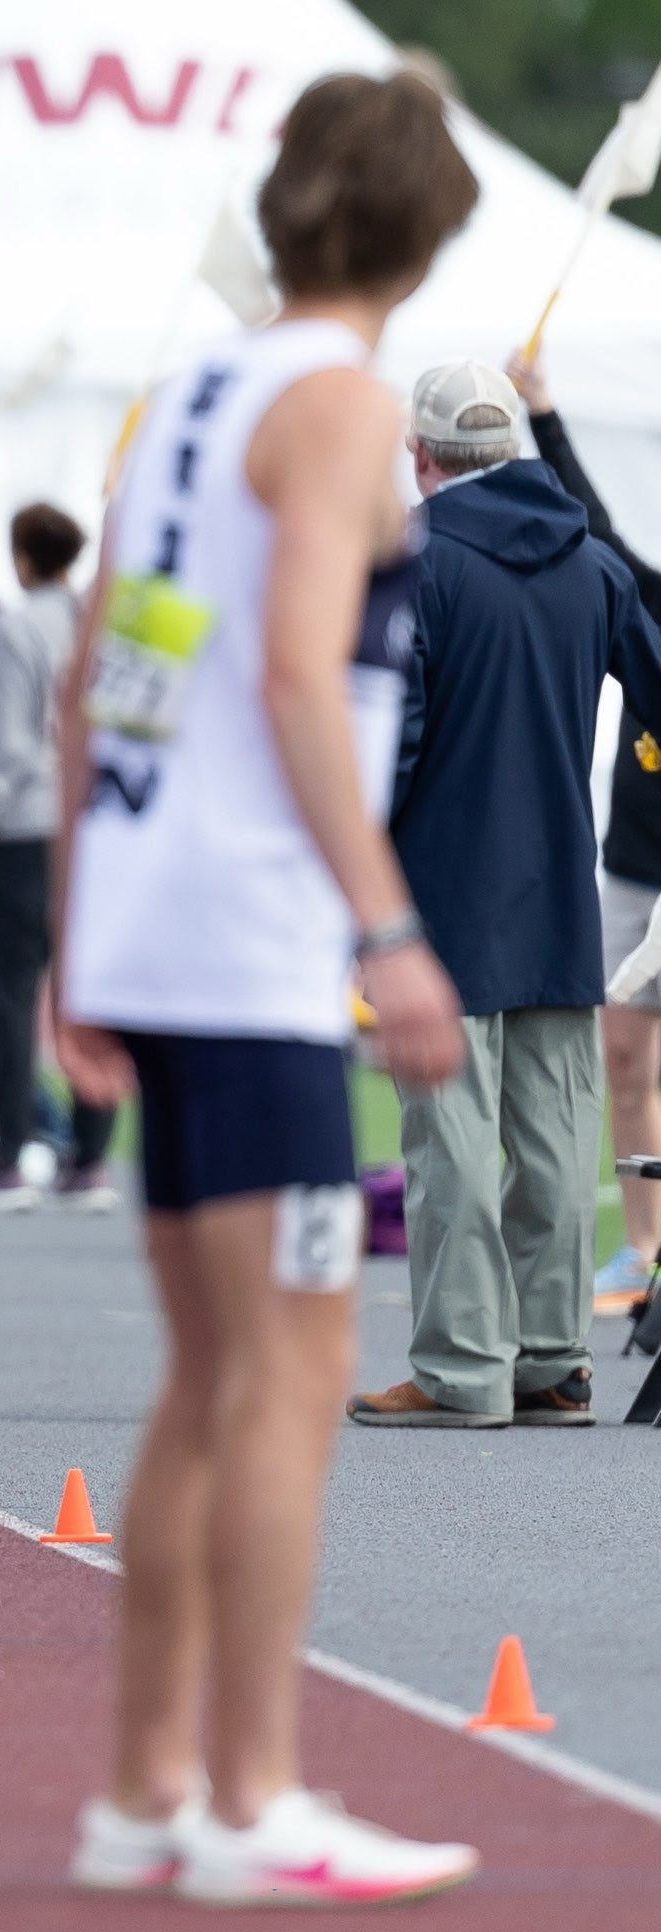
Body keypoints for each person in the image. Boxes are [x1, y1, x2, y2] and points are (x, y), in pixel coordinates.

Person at [56, 72, 479, 1904]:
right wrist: (388, 932)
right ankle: (253, 1796)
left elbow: (104, 678)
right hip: (250, 941)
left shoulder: (181, 398)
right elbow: (306, 680)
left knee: (206, 1383)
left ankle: (149, 1785)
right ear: (428, 236)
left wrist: (82, 932)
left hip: (160, 922)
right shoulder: (336, 404)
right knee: (291, 1381)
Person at [343, 362, 661, 1429]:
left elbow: (394, 739)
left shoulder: (415, 559)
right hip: (563, 887)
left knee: (448, 1141)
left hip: (441, 894)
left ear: (420, 457)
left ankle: (462, 1366)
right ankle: (554, 1359)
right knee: (561, 1139)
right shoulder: (592, 562)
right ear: (513, 450)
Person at [510, 346, 661, 1314]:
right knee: (623, 1053)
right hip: (634, 869)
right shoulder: (648, 594)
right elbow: (590, 520)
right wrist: (542, 411)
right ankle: (642, 1248)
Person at [0, 503, 115, 1211]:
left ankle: (11, 1152)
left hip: (21, 827)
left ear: (21, 557)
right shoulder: (90, 619)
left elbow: (5, 744)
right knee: (84, 989)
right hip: (88, 823)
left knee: (11, 996)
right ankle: (91, 1155)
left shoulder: (15, 627)